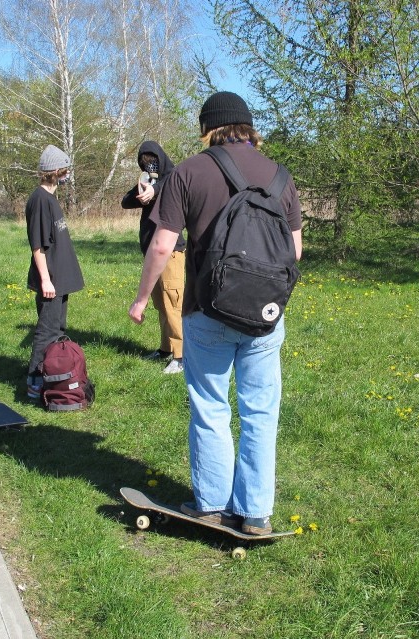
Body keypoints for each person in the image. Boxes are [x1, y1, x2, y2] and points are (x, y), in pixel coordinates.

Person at [128, 92, 303, 535]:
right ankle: (256, 513)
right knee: (261, 412)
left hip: (206, 312)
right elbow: (294, 253)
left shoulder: (189, 172)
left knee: (210, 408)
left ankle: (211, 505)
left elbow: (163, 244)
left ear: (209, 128)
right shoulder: (281, 176)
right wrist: (269, 304)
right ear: (247, 127)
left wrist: (142, 298)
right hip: (265, 316)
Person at [25, 145, 85, 399]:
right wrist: (46, 280)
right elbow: (37, 246)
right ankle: (34, 381)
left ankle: (53, 374)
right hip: (51, 280)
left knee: (57, 329)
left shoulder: (50, 198)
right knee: (46, 330)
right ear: (57, 171)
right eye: (66, 170)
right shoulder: (39, 200)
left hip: (60, 279)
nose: (67, 175)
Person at [121, 141, 186, 374]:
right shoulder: (148, 179)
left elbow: (166, 185)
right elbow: (125, 201)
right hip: (152, 254)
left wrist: (154, 190)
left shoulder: (175, 177)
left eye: (152, 159)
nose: (149, 163)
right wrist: (141, 190)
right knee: (161, 304)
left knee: (173, 303)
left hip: (171, 252)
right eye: (144, 160)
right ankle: (166, 348)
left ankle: (181, 356)